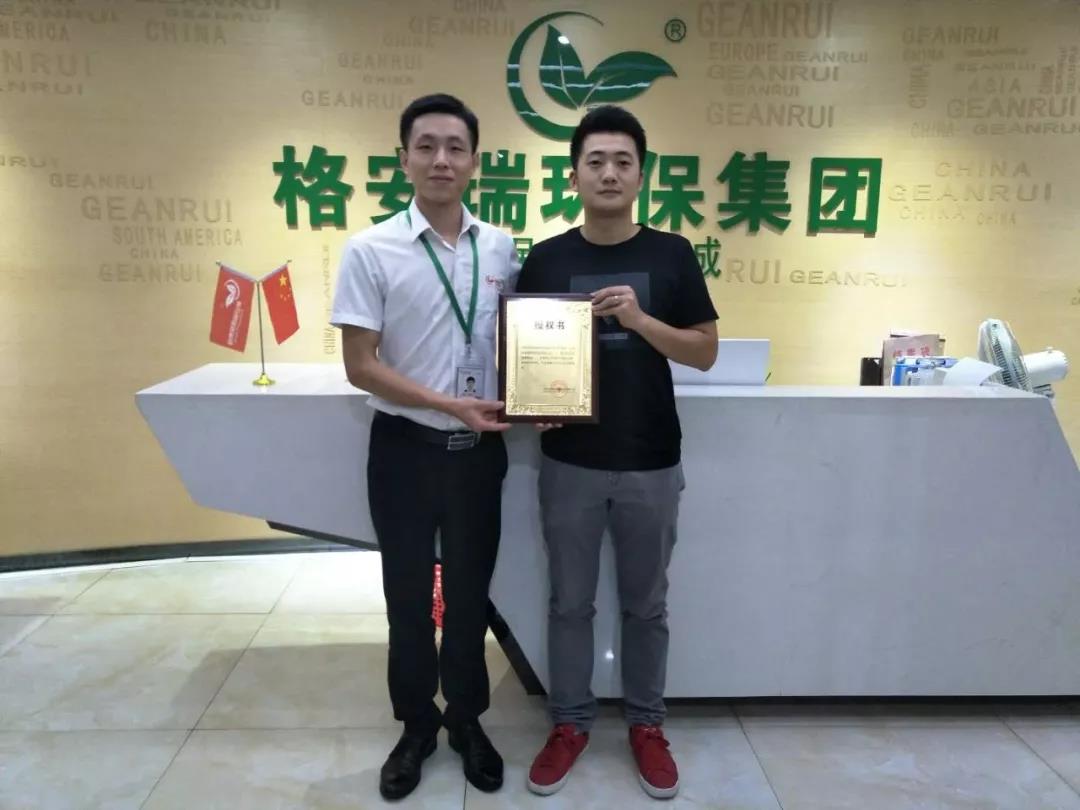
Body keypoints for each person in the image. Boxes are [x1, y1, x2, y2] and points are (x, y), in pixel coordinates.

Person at [516, 105, 719, 799]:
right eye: (595, 161)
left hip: (652, 459)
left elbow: (704, 352)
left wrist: (637, 318)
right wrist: (532, 401)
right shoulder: (547, 257)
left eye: (622, 161)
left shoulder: (673, 253)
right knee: (569, 604)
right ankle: (569, 723)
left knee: (646, 606)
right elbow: (525, 351)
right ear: (573, 175)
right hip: (569, 463)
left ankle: (646, 724)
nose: (608, 172)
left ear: (640, 174)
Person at [330, 93, 519, 800]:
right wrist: (447, 404)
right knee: (407, 599)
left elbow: (521, 343)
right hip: (404, 451)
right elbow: (361, 365)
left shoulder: (500, 247)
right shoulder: (370, 249)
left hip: (478, 458)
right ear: (404, 158)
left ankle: (466, 720)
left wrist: (547, 397)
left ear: (475, 161)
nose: (442, 159)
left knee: (469, 598)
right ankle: (415, 725)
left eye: (456, 147)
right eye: (427, 146)